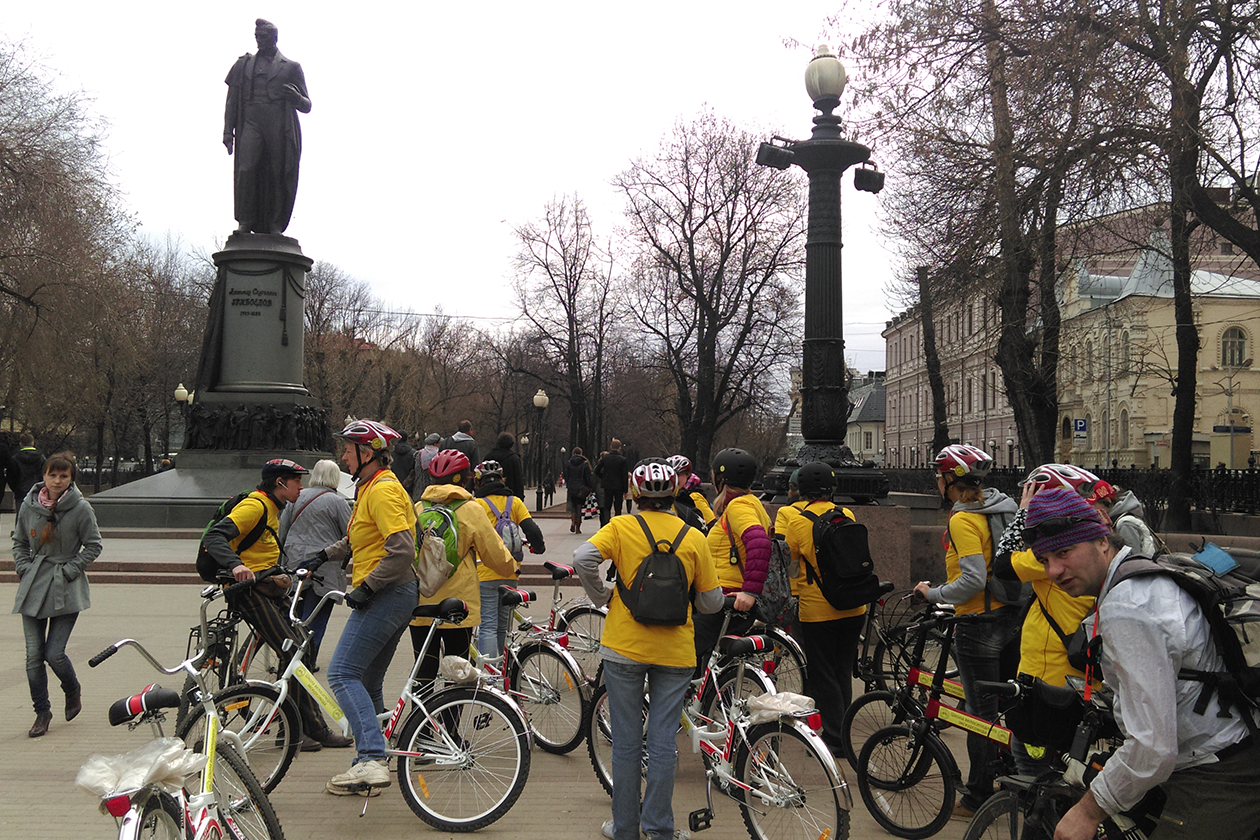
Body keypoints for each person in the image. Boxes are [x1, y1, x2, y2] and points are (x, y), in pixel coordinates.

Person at [1030, 488, 1260, 840]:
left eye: (1064, 552)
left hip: (1219, 773)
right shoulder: (1144, 573)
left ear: (1101, 542)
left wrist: (1088, 812)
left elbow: (1152, 747)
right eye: (1044, 560)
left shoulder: (1128, 606)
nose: (1054, 570)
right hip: (1228, 747)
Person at [571, 460, 723, 840]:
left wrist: (603, 595)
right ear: (675, 493)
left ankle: (624, 828)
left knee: (625, 742)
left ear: (635, 495)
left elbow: (581, 558)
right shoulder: (693, 536)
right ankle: (658, 829)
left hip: (623, 647)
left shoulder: (621, 527)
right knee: (662, 743)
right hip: (675, 653)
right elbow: (711, 602)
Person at [202, 458, 350, 753]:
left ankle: (298, 727)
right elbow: (214, 536)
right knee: (294, 650)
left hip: (268, 589)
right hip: (249, 592)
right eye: (296, 481)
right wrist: (236, 566)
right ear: (280, 483)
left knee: (300, 648)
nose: (301, 486)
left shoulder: (274, 507)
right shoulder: (255, 506)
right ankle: (305, 730)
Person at [913, 444, 1020, 819]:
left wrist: (934, 593)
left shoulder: (963, 519)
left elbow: (973, 578)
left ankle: (976, 796)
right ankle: (1016, 776)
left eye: (938, 478)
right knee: (1010, 704)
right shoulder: (1003, 506)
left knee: (978, 714)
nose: (937, 483)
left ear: (949, 481)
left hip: (978, 623)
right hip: (1012, 618)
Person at [315, 420, 418, 794]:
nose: (342, 456)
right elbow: (358, 537)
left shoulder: (383, 491)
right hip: (391, 594)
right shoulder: (370, 488)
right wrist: (321, 556)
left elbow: (402, 549)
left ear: (368, 453)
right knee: (369, 682)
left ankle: (372, 756)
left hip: (387, 594)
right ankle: (367, 763)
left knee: (342, 673)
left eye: (347, 450)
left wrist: (367, 587)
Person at [991, 464, 1105, 775]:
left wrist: (1023, 516)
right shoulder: (1098, 544)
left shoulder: (1049, 556)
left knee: (1034, 778)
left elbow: (1002, 565)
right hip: (1088, 681)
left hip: (1048, 687)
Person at [12, 452, 101, 738]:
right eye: (53, 475)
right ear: (44, 475)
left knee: (54, 654)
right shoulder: (29, 504)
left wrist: (69, 570)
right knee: (33, 656)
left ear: (71, 478)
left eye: (64, 476)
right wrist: (24, 567)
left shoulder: (81, 508)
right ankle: (42, 711)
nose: (58, 480)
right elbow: (19, 541)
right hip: (34, 584)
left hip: (65, 587)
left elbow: (93, 545)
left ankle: (72, 688)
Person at [412, 450, 516, 686]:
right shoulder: (471, 510)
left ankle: (421, 722)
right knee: (458, 672)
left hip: (420, 603)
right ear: (466, 478)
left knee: (423, 672)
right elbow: (496, 557)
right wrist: (512, 567)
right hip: (458, 606)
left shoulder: (418, 508)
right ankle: (450, 722)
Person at [782, 461, 866, 755]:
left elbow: (792, 568)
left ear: (802, 491)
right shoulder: (847, 514)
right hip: (854, 605)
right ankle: (842, 728)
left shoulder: (797, 522)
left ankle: (833, 737)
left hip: (818, 610)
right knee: (842, 669)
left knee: (822, 673)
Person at [223, 18, 310, 235]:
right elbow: (232, 99)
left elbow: (307, 105)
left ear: (274, 38)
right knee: (246, 169)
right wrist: (227, 130)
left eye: (263, 37)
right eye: (257, 37)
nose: (259, 40)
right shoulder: (243, 64)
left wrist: (296, 97)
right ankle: (246, 221)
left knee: (277, 173)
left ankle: (275, 223)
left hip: (278, 124)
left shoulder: (291, 67)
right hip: (251, 121)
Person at [693, 447, 769, 678]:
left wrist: (750, 592)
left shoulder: (738, 507)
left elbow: (759, 543)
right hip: (727, 598)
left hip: (726, 600)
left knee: (683, 654)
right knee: (710, 667)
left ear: (721, 479)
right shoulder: (751, 503)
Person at [277, 459, 351, 671]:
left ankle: (290, 656)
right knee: (316, 615)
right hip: (323, 566)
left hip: (294, 561)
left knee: (295, 612)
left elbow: (282, 531)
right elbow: (351, 534)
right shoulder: (338, 502)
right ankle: (308, 659)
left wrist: (279, 563)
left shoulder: (295, 498)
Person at [473, 460, 545, 656]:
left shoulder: (476, 504)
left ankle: (490, 674)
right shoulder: (514, 502)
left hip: (485, 571)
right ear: (501, 479)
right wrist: (538, 548)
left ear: (478, 482)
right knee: (502, 625)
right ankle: (501, 671)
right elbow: (532, 531)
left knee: (487, 624)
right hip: (511, 570)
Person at [668, 455, 716, 529]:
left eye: (678, 475)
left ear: (687, 475)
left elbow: (711, 523)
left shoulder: (694, 496)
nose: (674, 478)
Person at [1108, 484, 1158, 554]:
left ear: (1108, 502)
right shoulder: (1119, 519)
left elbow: (1132, 557)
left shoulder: (1125, 524)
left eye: (1095, 503)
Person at [595, 440, 630, 526]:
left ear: (611, 447)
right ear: (619, 448)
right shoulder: (622, 460)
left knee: (607, 506)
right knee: (618, 507)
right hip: (619, 486)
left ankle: (607, 523)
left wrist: (603, 477)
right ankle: (617, 524)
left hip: (608, 485)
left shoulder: (605, 458)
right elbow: (624, 476)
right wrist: (625, 490)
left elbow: (596, 470)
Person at [563, 447, 595, 535]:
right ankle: (578, 528)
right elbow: (587, 477)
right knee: (579, 507)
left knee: (573, 507)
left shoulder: (569, 463)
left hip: (571, 487)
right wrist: (591, 487)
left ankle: (573, 522)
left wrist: (568, 485)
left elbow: (566, 475)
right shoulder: (585, 463)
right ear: (581, 453)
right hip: (581, 488)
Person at [484, 432, 526, 499]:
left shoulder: (489, 456)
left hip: (490, 495)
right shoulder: (514, 459)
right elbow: (518, 480)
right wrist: (520, 497)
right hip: (510, 496)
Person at [440, 420, 479, 487]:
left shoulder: (446, 442)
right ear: (469, 430)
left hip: (447, 479)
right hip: (465, 481)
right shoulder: (472, 445)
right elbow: (475, 465)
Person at [10, 433, 45, 507]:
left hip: (20, 491)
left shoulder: (15, 459)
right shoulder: (41, 458)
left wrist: (16, 489)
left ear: (20, 444)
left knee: (21, 514)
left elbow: (11, 477)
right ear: (32, 443)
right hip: (37, 491)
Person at [410, 433, 441, 503]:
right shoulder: (438, 454)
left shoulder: (419, 454)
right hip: (433, 491)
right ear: (435, 444)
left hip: (418, 490)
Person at [392, 431, 415, 496]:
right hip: (410, 487)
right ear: (407, 439)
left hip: (394, 485)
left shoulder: (390, 454)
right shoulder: (414, 453)